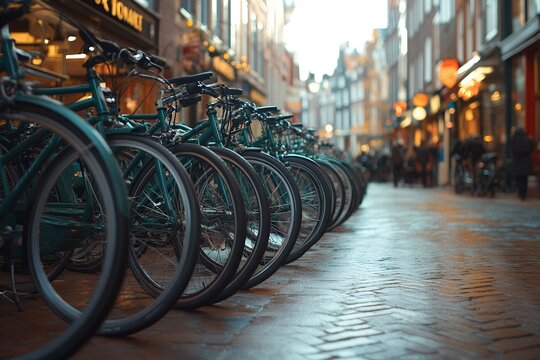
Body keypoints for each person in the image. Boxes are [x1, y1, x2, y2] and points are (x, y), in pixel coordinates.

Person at [510, 128, 534, 200]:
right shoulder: (528, 140)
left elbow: (512, 150)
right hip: (526, 162)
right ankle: (524, 193)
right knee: (524, 179)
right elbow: (532, 148)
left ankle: (520, 193)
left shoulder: (514, 140)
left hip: (517, 162)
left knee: (518, 178)